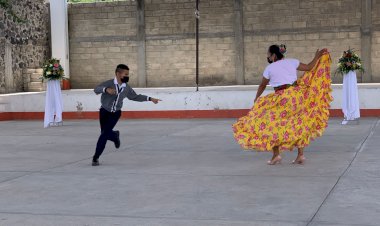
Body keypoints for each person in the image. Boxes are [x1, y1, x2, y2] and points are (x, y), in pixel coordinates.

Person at [232, 45, 332, 165]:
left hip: (282, 99)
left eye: (268, 54)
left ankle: (276, 155)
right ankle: (300, 155)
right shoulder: (292, 62)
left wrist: (256, 98)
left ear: (274, 55)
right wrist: (316, 57)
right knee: (299, 122)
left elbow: (262, 85)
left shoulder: (269, 68)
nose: (267, 57)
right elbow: (310, 67)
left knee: (270, 124)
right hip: (297, 96)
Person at [92, 64, 161, 166]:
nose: (127, 76)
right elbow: (96, 89)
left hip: (115, 114)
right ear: (118, 74)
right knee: (104, 133)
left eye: (128, 74)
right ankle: (115, 135)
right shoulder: (109, 83)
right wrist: (106, 89)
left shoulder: (126, 88)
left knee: (104, 135)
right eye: (125, 74)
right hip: (104, 112)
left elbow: (135, 97)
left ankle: (95, 158)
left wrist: (150, 99)